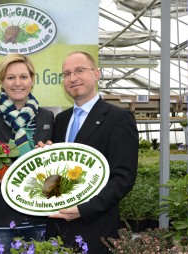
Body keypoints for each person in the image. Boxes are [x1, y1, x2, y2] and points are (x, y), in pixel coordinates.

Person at [42, 51, 139, 254]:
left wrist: (83, 210)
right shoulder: (60, 120)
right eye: (66, 74)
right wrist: (45, 163)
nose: (73, 78)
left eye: (79, 70)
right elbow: (57, 172)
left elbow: (123, 178)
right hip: (59, 228)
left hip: (96, 229)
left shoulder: (119, 118)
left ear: (96, 74)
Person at [0, 53, 54, 254]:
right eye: (10, 77)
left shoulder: (47, 117)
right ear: (1, 82)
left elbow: (57, 166)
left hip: (38, 214)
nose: (17, 83)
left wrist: (48, 158)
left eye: (23, 77)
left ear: (32, 80)